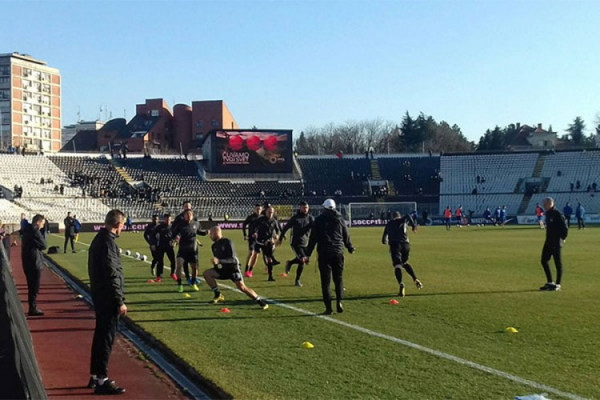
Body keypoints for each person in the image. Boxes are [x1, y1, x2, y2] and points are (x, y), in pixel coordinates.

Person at [87, 209, 127, 395]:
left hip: (100, 293)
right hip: (107, 297)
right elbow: (111, 272)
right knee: (106, 338)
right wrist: (119, 300)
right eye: (123, 225)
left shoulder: (99, 239)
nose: (123, 229)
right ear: (117, 225)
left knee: (100, 335)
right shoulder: (107, 243)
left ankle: (95, 375)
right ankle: (102, 379)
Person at [304, 199, 355, 315]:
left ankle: (328, 308)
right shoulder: (340, 219)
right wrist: (350, 247)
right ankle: (339, 301)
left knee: (325, 282)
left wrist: (307, 254)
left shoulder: (319, 220)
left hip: (324, 253)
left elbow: (313, 239)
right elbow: (346, 235)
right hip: (338, 252)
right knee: (339, 279)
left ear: (325, 208)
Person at [202, 226, 269, 310]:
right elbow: (218, 260)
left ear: (216, 233)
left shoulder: (227, 242)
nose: (210, 236)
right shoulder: (214, 246)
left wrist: (219, 261)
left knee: (242, 287)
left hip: (233, 269)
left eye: (211, 234)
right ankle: (218, 294)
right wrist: (216, 265)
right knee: (207, 273)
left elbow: (232, 259)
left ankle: (260, 301)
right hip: (223, 269)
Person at [382, 212, 423, 297]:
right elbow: (408, 215)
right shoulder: (402, 220)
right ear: (399, 216)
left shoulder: (389, 224)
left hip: (395, 245)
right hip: (406, 245)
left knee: (397, 266)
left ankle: (401, 283)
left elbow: (383, 240)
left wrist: (387, 241)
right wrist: (413, 225)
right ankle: (415, 279)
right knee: (404, 263)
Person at [279, 201, 314, 287]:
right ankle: (297, 280)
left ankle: (290, 263)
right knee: (302, 260)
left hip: (305, 243)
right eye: (303, 207)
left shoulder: (311, 219)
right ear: (300, 208)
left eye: (306, 208)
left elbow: (315, 229)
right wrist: (280, 238)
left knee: (301, 259)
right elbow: (286, 227)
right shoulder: (295, 218)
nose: (305, 209)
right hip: (295, 243)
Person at [171, 209, 207, 293]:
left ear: (192, 215)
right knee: (179, 265)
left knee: (194, 268)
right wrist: (173, 240)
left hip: (192, 250)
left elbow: (199, 232)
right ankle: (180, 284)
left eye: (190, 214)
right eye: (187, 214)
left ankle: (193, 282)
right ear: (184, 216)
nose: (189, 215)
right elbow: (174, 234)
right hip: (182, 249)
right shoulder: (180, 225)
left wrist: (206, 232)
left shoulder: (196, 223)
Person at [539, 197, 568, 292]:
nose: (543, 205)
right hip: (548, 241)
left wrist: (563, 238)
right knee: (544, 260)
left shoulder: (557, 214)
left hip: (556, 242)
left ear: (550, 204)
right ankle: (550, 282)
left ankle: (558, 284)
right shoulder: (548, 214)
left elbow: (565, 227)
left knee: (557, 263)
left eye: (545, 204)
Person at [21, 214, 47, 316]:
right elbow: (44, 245)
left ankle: (32, 306)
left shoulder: (27, 229)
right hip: (34, 261)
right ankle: (32, 307)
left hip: (27, 260)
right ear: (38, 222)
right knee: (34, 286)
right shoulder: (35, 231)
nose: (43, 226)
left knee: (31, 285)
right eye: (42, 223)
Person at [249, 206, 281, 281]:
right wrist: (254, 233)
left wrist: (276, 236)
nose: (270, 214)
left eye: (272, 212)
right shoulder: (260, 219)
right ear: (266, 212)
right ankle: (250, 270)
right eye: (269, 212)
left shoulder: (274, 221)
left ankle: (270, 276)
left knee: (269, 259)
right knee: (255, 255)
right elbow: (253, 227)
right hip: (259, 241)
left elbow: (277, 230)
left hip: (268, 242)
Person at [172, 201, 193, 283]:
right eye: (186, 206)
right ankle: (188, 277)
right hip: (183, 241)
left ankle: (191, 277)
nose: (187, 207)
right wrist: (176, 237)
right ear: (183, 207)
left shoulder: (193, 216)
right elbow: (173, 228)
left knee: (193, 260)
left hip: (191, 242)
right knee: (185, 260)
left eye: (189, 206)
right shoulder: (179, 218)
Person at [241, 204, 263, 277]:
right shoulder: (251, 217)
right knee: (251, 253)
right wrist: (245, 234)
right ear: (254, 209)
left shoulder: (262, 218)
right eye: (257, 209)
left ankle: (250, 270)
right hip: (251, 238)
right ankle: (246, 269)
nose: (258, 210)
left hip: (260, 239)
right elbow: (244, 225)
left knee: (256, 255)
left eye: (259, 209)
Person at [155, 213, 176, 282]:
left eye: (169, 220)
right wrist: (153, 243)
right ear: (164, 219)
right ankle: (159, 276)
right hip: (161, 246)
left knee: (173, 261)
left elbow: (177, 235)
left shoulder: (173, 227)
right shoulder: (160, 227)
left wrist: (174, 241)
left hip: (170, 246)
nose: (168, 221)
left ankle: (172, 273)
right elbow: (153, 234)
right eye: (166, 219)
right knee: (160, 262)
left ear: (171, 220)